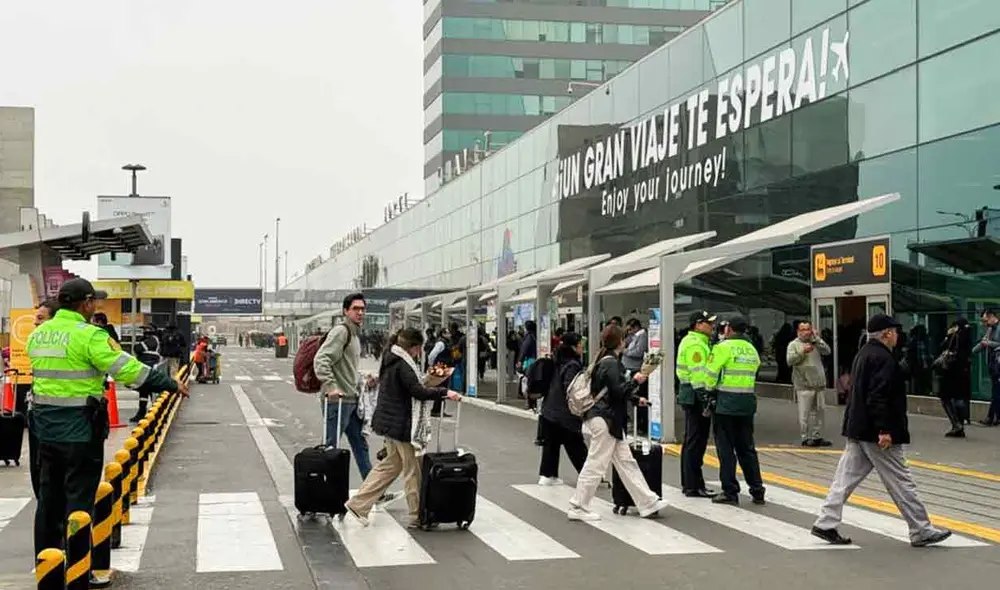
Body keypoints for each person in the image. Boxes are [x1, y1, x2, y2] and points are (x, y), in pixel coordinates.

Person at [27, 278, 187, 570]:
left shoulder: (39, 334)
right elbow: (127, 370)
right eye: (93, 302)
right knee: (79, 499)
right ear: (85, 303)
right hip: (80, 431)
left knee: (48, 501)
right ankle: (78, 567)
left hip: (45, 432)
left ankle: (45, 566)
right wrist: (168, 383)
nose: (95, 307)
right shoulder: (89, 335)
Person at [812, 314, 952, 547]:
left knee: (844, 479)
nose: (898, 336)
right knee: (900, 480)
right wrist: (885, 429)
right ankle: (921, 529)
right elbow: (879, 396)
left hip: (858, 428)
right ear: (887, 333)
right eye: (895, 331)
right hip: (876, 432)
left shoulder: (864, 354)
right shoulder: (883, 358)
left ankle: (825, 523)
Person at [344, 328, 462, 528]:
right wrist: (444, 391)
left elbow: (409, 386)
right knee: (412, 471)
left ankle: (358, 504)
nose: (419, 353)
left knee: (390, 466)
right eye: (418, 349)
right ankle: (417, 516)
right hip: (403, 425)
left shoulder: (391, 358)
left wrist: (427, 381)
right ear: (414, 347)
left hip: (391, 423)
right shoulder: (403, 364)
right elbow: (416, 391)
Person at [567, 324, 669, 522]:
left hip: (607, 418)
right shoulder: (611, 363)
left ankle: (647, 502)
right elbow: (618, 390)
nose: (626, 341)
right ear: (620, 341)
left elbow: (611, 390)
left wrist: (634, 398)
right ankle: (578, 505)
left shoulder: (603, 360)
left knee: (626, 462)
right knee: (596, 463)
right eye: (624, 338)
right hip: (606, 419)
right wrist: (637, 380)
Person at [700, 315, 765, 505]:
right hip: (747, 404)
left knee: (726, 449)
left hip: (726, 404)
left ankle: (730, 491)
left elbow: (710, 374)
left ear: (728, 329)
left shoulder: (723, 348)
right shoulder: (752, 349)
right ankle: (757, 489)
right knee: (747, 448)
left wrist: (709, 391)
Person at [313, 293, 373, 480]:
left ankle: (372, 490)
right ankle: (321, 490)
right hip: (337, 401)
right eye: (355, 309)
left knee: (360, 445)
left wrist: (363, 378)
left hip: (351, 400)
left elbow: (345, 366)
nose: (360, 312)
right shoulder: (341, 332)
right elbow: (321, 360)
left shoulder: (354, 334)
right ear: (346, 311)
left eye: (362, 309)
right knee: (330, 448)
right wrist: (331, 386)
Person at [537, 332, 587, 485]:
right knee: (575, 443)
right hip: (564, 412)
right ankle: (589, 476)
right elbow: (571, 388)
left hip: (549, 409)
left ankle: (547, 475)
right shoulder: (572, 364)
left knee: (551, 444)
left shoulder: (557, 359)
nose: (582, 347)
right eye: (580, 343)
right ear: (573, 346)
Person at [676, 310, 716, 498]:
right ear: (698, 325)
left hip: (691, 394)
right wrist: (705, 396)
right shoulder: (695, 344)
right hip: (695, 395)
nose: (712, 326)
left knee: (694, 440)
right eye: (708, 323)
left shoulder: (696, 341)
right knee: (696, 441)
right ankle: (693, 485)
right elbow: (698, 373)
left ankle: (693, 483)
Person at [26, 299, 60, 500]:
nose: (35, 323)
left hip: (58, 421)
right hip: (38, 415)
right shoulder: (36, 341)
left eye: (40, 318)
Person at [786, 320, 833, 447]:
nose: (806, 332)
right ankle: (805, 437)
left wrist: (817, 339)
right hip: (804, 384)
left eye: (808, 329)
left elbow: (827, 351)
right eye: (803, 330)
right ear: (798, 332)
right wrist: (802, 352)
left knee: (819, 411)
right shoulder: (793, 345)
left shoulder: (816, 343)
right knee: (805, 413)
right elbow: (790, 361)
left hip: (819, 383)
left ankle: (817, 436)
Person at [973, 309, 1000, 426]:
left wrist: (988, 343)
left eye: (986, 320)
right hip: (992, 365)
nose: (985, 324)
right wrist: (974, 350)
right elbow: (983, 343)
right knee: (996, 392)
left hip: (998, 365)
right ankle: (997, 417)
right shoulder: (989, 330)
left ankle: (990, 417)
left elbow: (996, 344)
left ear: (992, 316)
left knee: (996, 392)